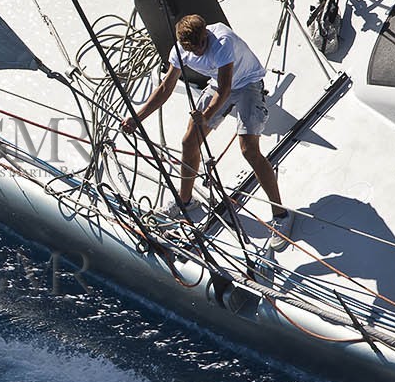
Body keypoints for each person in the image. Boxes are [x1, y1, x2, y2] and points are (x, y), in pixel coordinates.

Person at [121, 14, 292, 250]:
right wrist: (137, 118)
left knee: (249, 150)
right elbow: (165, 88)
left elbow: (225, 89)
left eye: (202, 43)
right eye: (193, 47)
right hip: (218, 83)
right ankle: (185, 200)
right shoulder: (180, 51)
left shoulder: (222, 41)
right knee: (189, 141)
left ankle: (281, 215)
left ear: (206, 35)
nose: (200, 50)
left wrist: (206, 116)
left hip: (247, 83)